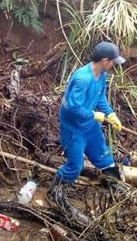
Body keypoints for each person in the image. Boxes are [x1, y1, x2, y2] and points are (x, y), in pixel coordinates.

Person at [48, 41, 125, 202]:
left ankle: (116, 188)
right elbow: (72, 108)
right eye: (113, 62)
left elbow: (100, 96)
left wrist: (110, 114)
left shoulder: (101, 75)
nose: (113, 65)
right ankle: (54, 191)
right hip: (74, 129)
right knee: (75, 166)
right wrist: (93, 115)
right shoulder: (83, 79)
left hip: (90, 127)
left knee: (104, 158)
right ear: (105, 61)